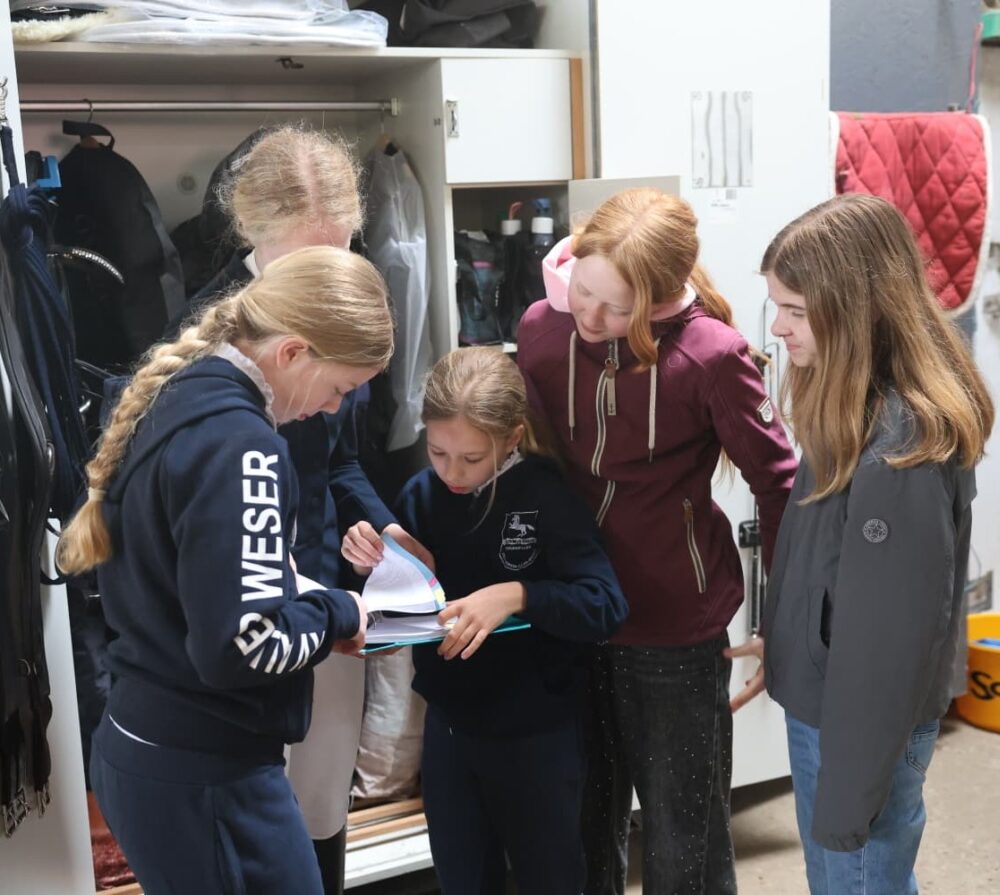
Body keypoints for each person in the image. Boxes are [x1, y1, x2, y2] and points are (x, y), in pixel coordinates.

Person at [56, 246, 394, 895]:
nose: (333, 409)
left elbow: (198, 581)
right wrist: (337, 613)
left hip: (146, 743)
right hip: (207, 774)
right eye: (339, 389)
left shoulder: (183, 391)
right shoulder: (246, 448)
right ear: (292, 352)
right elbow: (246, 645)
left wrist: (297, 599)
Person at [515, 187, 797, 894]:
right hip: (571, 612)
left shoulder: (711, 358)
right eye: (582, 291)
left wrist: (782, 616)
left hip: (674, 629)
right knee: (579, 825)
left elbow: (779, 483)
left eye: (615, 309)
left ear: (662, 297)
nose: (589, 317)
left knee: (683, 840)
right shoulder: (542, 331)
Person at [176, 125, 431, 892]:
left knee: (321, 818)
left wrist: (384, 525)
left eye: (339, 254)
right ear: (253, 233)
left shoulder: (345, 306)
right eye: (304, 261)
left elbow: (340, 457)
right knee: (260, 831)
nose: (326, 278)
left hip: (325, 600)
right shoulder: (203, 340)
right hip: (245, 615)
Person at [738, 193, 993, 894]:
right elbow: (830, 566)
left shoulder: (896, 450)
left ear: (857, 310)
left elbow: (886, 648)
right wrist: (787, 638)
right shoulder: (852, 404)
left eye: (795, 310)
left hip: (855, 725)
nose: (778, 327)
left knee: (855, 877)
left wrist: (849, 799)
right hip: (835, 702)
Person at [342, 348, 629, 895]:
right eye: (437, 452)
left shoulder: (545, 495)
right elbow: (405, 601)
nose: (452, 472)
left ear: (512, 437)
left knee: (551, 878)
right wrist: (371, 566)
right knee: (463, 876)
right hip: (450, 729)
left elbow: (605, 605)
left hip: (536, 733)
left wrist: (518, 595)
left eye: (471, 458)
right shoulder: (421, 494)